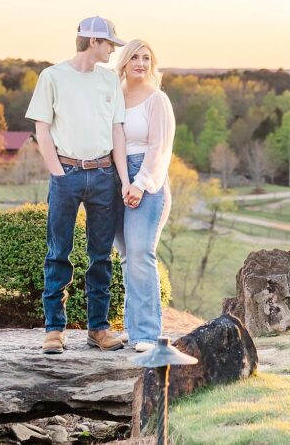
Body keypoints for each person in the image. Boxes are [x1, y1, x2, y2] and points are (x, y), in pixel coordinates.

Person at [26, 16, 128, 353]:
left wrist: (121, 176)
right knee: (58, 254)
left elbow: (117, 130)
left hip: (103, 176)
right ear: (92, 41)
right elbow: (42, 128)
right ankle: (54, 330)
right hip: (66, 175)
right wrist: (57, 172)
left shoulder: (110, 80)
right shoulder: (52, 77)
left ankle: (98, 329)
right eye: (109, 43)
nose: (113, 49)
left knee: (101, 257)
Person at [113, 39, 175, 352]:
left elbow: (159, 148)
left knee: (140, 252)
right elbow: (115, 141)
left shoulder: (157, 99)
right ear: (123, 61)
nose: (140, 63)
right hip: (115, 177)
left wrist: (139, 183)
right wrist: (122, 180)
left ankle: (148, 334)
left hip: (148, 180)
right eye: (135, 57)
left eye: (146, 58)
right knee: (126, 256)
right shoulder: (114, 97)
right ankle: (133, 327)